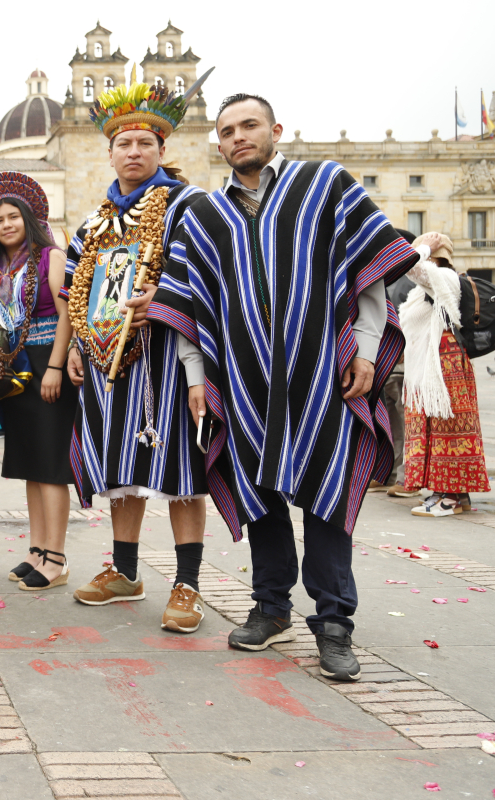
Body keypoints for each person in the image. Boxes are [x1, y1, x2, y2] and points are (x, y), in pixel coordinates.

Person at [150, 93, 417, 681]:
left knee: (326, 491)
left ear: (275, 129)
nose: (239, 136)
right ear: (217, 144)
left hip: (322, 374)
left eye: (249, 125)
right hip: (241, 379)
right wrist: (197, 378)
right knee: (259, 493)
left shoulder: (324, 185)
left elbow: (365, 270)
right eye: (227, 130)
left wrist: (368, 351)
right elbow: (189, 305)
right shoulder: (202, 216)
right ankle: (272, 607)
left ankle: (334, 622)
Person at [63, 74, 209, 634]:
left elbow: (210, 270)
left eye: (144, 143)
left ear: (162, 149)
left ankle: (188, 583)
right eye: (123, 143)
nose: (133, 151)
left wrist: (167, 299)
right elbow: (78, 284)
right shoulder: (96, 220)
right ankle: (126, 572)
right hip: (108, 362)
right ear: (110, 152)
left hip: (170, 358)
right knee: (125, 467)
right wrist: (78, 343)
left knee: (179, 469)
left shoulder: (188, 204)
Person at [0, 172, 76, 592]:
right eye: (0, 221)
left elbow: (67, 314)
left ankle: (57, 557)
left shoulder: (51, 256)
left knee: (51, 465)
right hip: (17, 368)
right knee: (32, 466)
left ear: (29, 219)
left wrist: (54, 367)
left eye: (14, 217)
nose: (7, 225)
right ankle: (37, 549)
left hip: (45, 360)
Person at [396, 232, 489, 516]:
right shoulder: (424, 287)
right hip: (432, 366)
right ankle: (454, 495)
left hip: (443, 367)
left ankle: (447, 497)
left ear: (434, 255)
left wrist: (422, 248)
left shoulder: (444, 278)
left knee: (446, 430)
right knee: (435, 428)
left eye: (423, 250)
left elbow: (409, 265)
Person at [381, 229, 418, 497]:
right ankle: (393, 474)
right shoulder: (392, 279)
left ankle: (406, 478)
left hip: (405, 364)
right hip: (390, 365)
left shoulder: (410, 280)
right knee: (393, 421)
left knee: (405, 423)